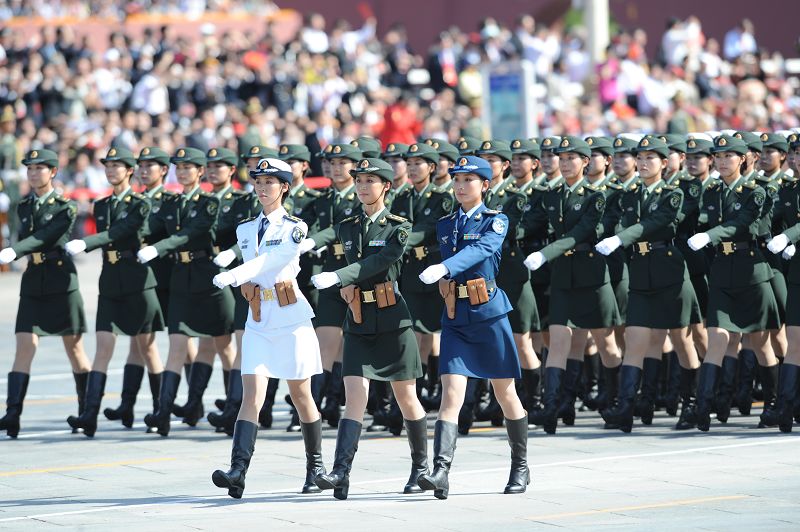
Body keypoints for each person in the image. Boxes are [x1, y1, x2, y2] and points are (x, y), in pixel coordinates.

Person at [310, 157, 426, 499]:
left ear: (386, 186)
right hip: (359, 319)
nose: (362, 186)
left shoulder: (398, 226)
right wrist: (344, 282)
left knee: (406, 397)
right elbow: (355, 266)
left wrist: (338, 277)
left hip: (392, 318)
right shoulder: (347, 226)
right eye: (358, 180)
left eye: (370, 180)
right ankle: (341, 472)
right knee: (354, 395)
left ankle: (420, 467)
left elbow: (378, 262)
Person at [210, 157, 324, 498]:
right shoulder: (245, 230)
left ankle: (315, 468)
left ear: (285, 187)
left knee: (301, 395)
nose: (262, 188)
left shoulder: (295, 227)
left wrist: (234, 275)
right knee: (252, 396)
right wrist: (242, 278)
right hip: (259, 317)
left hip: (290, 318)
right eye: (258, 182)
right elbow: (255, 265)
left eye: (270, 183)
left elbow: (271, 261)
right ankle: (238, 470)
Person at [416, 155, 529, 499]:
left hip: (488, 315)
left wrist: (444, 267)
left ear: (485, 185)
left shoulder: (495, 221)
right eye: (457, 179)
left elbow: (482, 250)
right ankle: (441, 471)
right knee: (451, 395)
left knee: (504, 393)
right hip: (456, 316)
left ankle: (520, 465)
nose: (461, 186)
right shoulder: (445, 224)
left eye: (469, 180)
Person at [595, 136, 701, 432]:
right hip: (641, 273)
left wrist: (620, 238)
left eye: (650, 159)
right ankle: (626, 406)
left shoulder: (673, 194)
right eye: (639, 158)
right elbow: (612, 221)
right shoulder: (629, 195)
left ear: (665, 164)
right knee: (636, 340)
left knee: (681, 340)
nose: (642, 163)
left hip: (669, 272)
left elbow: (655, 223)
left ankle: (690, 404)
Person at [522, 136, 623, 434]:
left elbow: (583, 230)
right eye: (560, 158)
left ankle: (614, 399)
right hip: (564, 275)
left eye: (571, 158)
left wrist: (544, 253)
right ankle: (553, 405)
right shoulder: (552, 194)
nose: (564, 163)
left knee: (604, 340)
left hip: (592, 274)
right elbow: (530, 224)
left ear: (585, 162)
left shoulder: (597, 195)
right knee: (559, 339)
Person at [63, 147, 165, 437]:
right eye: (107, 166)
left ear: (130, 171)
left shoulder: (140, 202)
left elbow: (123, 230)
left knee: (146, 347)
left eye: (117, 166)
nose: (110, 170)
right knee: (103, 347)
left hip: (137, 281)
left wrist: (87, 242)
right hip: (110, 281)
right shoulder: (103, 204)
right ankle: (90, 415)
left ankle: (160, 411)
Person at [136, 147, 236, 436]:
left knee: (224, 345)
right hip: (181, 277)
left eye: (188, 168)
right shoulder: (172, 202)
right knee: (177, 345)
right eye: (178, 168)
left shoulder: (208, 203)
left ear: (199, 172)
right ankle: (164, 412)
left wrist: (157, 248)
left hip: (209, 277)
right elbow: (150, 227)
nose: (181, 172)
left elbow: (188, 233)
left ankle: (232, 408)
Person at [687, 134, 780, 432]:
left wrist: (709, 236)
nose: (723, 161)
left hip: (752, 271)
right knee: (717, 338)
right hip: (723, 270)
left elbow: (742, 223)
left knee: (760, 342)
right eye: (719, 156)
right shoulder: (713, 191)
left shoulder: (758, 189)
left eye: (730, 156)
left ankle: (773, 403)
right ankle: (703, 406)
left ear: (743, 159)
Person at [0, 149, 91, 438]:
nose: (33, 173)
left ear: (53, 172)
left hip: (60, 280)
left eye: (40, 168)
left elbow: (45, 237)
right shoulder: (24, 205)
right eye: (30, 168)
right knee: (24, 345)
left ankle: (86, 411)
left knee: (74, 348)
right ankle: (12, 413)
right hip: (34, 281)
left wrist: (15, 250)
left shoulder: (65, 206)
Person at [103, 147, 173, 428]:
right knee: (139, 341)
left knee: (182, 345)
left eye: (150, 166)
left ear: (163, 170)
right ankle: (129, 404)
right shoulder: (137, 200)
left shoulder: (169, 200)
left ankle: (175, 405)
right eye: (141, 166)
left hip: (163, 278)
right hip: (138, 277)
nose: (144, 171)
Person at [297, 144, 363, 428]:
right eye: (332, 162)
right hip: (328, 271)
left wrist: (315, 239)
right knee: (325, 342)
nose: (336, 168)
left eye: (343, 162)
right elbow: (303, 223)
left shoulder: (362, 196)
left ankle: (335, 400)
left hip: (354, 273)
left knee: (347, 343)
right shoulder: (323, 199)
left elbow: (341, 226)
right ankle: (313, 407)